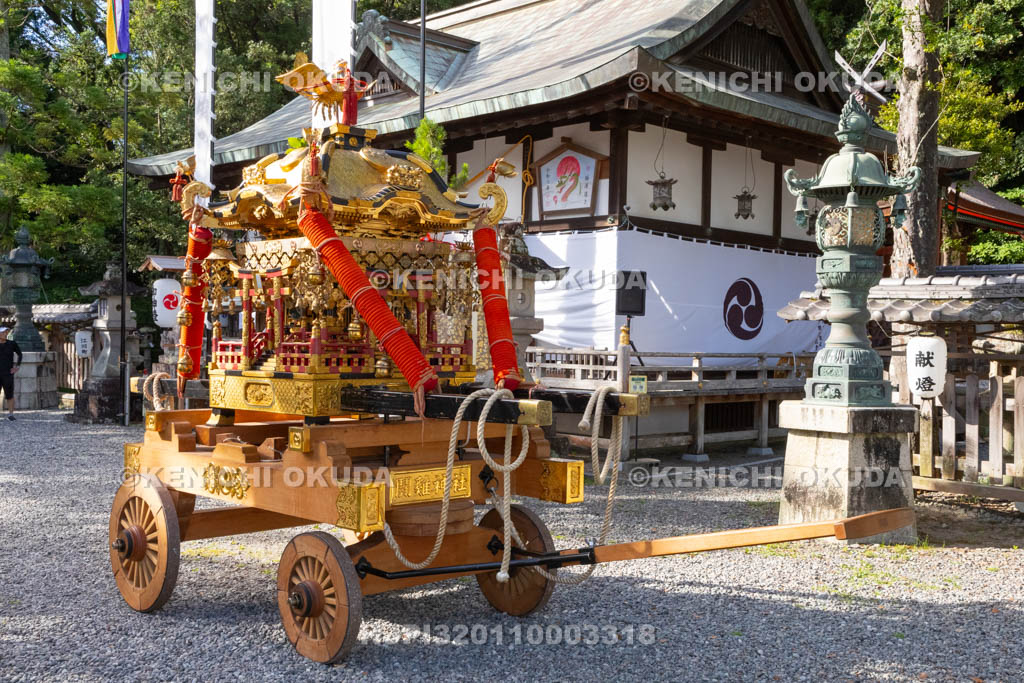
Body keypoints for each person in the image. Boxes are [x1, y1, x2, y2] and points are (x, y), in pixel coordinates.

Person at [0, 327, 22, 420]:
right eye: (3, 332)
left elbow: (20, 354)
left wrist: (17, 366)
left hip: (7, 373)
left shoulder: (12, 343)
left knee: (9, 394)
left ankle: (11, 414)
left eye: (6, 332)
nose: (5, 334)